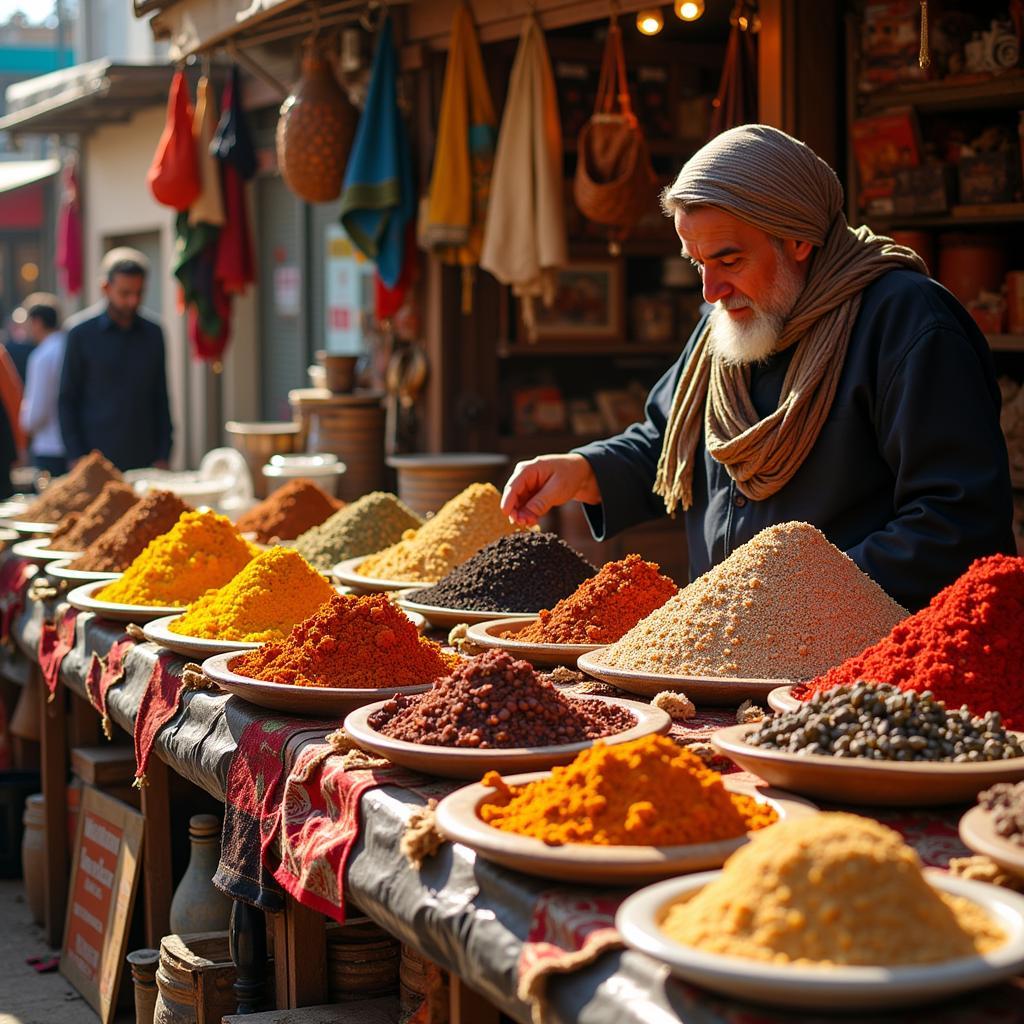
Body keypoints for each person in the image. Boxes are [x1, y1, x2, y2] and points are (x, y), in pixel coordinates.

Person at [501, 124, 1014, 611]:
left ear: (798, 239)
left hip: (858, 666)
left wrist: (786, 604)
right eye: (698, 264)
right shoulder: (724, 320)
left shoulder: (908, 322)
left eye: (729, 261)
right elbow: (669, 445)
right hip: (731, 657)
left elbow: (956, 521)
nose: (710, 291)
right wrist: (583, 470)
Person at [59, 247, 173, 471]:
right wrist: (76, 456)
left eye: (139, 293)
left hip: (145, 458)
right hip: (94, 458)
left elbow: (160, 396)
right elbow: (67, 399)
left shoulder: (154, 333)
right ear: (105, 287)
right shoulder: (80, 333)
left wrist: (164, 452)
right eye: (125, 293)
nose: (132, 301)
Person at [19, 294, 67, 476]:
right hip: (71, 442)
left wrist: (25, 420)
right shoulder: (67, 346)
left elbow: (35, 413)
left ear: (37, 322)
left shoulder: (42, 356)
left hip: (49, 444)